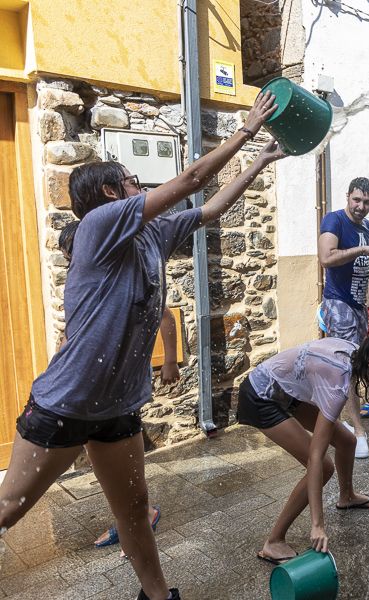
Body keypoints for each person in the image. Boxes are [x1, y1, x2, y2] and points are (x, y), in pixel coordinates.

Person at [0, 92, 284, 600]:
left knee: (134, 510)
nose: (143, 186)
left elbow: (212, 206)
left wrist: (258, 162)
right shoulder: (97, 227)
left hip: (116, 407)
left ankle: (157, 596)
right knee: (10, 509)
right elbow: (191, 180)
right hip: (65, 404)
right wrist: (246, 129)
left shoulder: (151, 235)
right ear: (112, 193)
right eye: (133, 181)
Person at [238, 332, 369, 563]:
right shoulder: (337, 385)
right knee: (324, 467)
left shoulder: (355, 353)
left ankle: (347, 496)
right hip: (260, 396)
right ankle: (273, 541)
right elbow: (315, 457)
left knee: (347, 441)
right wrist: (317, 525)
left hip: (287, 391)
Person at [58, 221, 168, 550]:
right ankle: (133, 520)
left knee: (121, 462)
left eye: (72, 256)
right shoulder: (83, 280)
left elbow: (163, 315)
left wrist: (171, 361)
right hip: (90, 387)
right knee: (105, 461)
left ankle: (138, 519)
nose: (70, 264)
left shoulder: (119, 277)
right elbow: (73, 332)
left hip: (114, 389)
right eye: (67, 259)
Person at [317, 177, 369, 456]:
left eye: (367, 202)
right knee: (347, 368)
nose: (361, 206)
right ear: (348, 196)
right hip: (338, 304)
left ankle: (337, 421)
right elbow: (327, 258)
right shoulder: (334, 220)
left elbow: (364, 268)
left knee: (353, 365)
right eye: (357, 200)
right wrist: (362, 249)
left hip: (359, 306)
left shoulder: (367, 228)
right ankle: (358, 431)